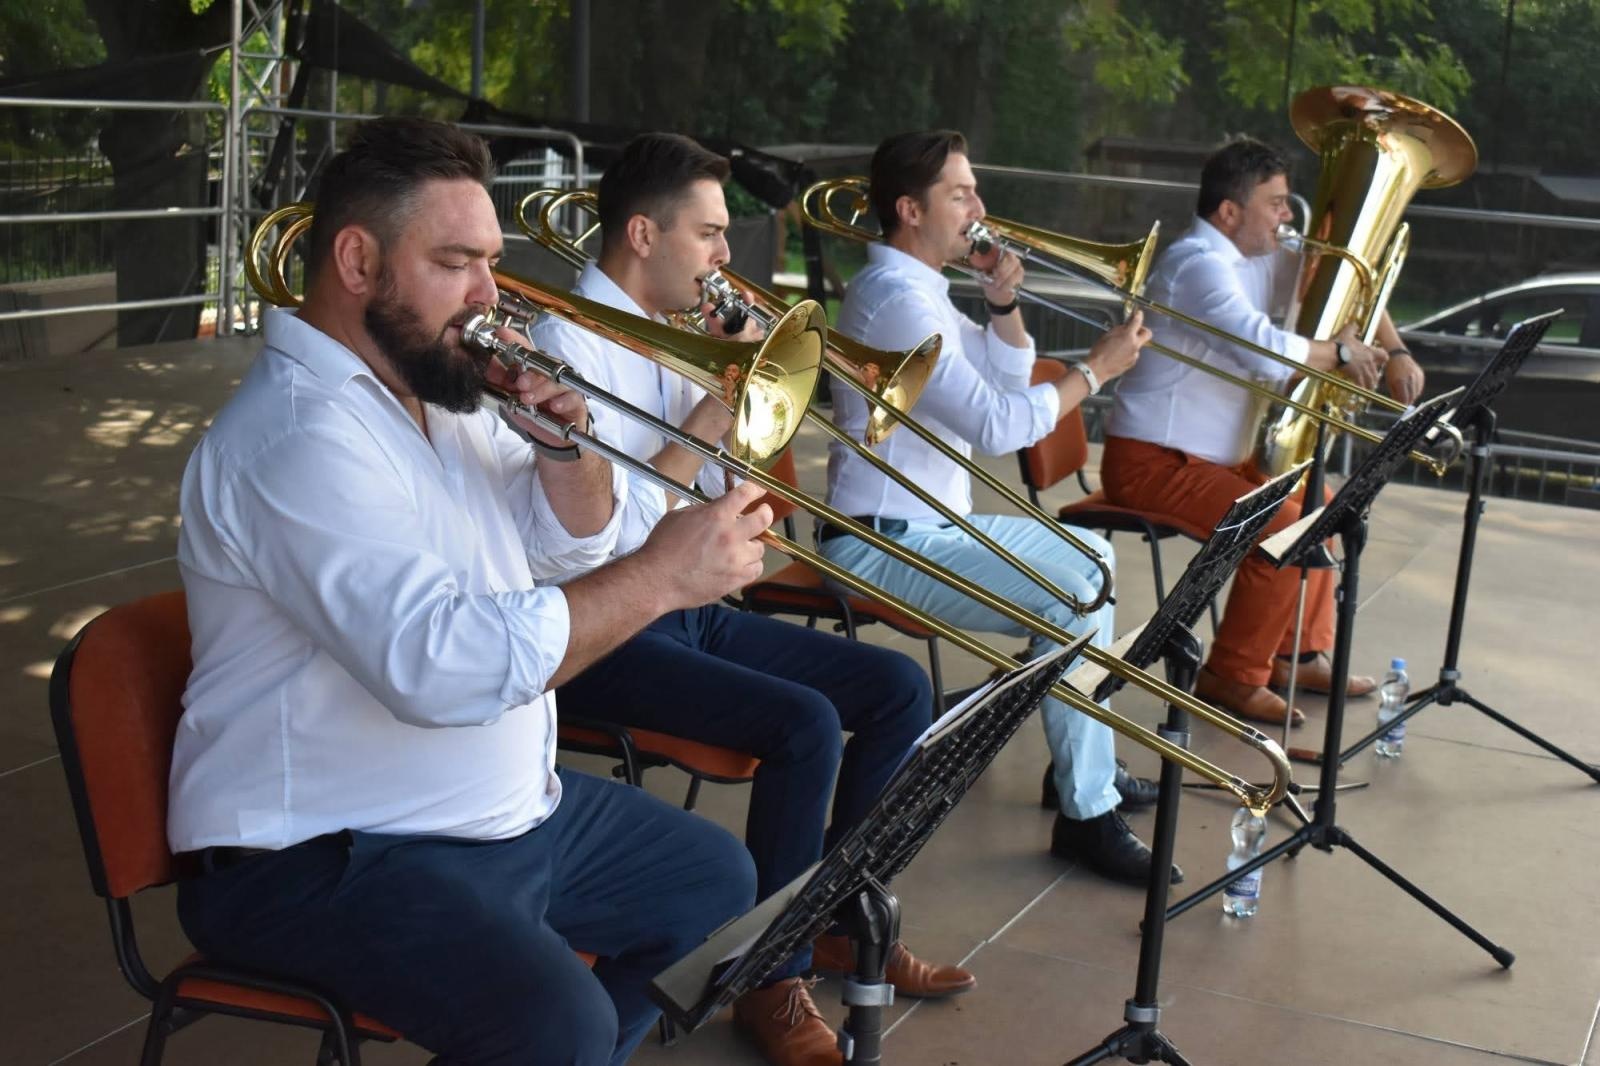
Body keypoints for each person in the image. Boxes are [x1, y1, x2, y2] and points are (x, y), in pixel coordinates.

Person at [168, 117, 769, 1066]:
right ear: (358, 262)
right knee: (557, 1023)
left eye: (492, 261)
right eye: (457, 263)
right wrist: (663, 579)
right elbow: (440, 671)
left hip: (488, 818)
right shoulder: (297, 437)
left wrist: (566, 455)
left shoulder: (438, 390)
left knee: (715, 882)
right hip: (323, 853)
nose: (492, 297)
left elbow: (577, 550)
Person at [531, 132, 972, 1066]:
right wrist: (707, 400)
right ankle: (768, 978)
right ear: (643, 234)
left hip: (682, 605)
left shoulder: (673, 321)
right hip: (599, 628)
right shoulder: (566, 340)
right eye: (712, 234)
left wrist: (753, 398)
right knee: (805, 725)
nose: (728, 257)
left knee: (897, 691)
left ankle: (844, 921)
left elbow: (706, 498)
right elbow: (609, 539)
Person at [812, 129, 1178, 889]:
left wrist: (1004, 300)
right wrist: (1094, 372)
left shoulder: (922, 291)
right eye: (960, 192)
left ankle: (1082, 773)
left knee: (1094, 566)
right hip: (877, 541)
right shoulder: (894, 302)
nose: (980, 206)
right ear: (910, 210)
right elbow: (999, 427)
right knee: (1078, 593)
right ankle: (1084, 806)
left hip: (931, 524)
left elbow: (1007, 383)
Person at [1101, 136, 1425, 727]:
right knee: (1280, 529)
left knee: (1323, 506)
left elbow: (1352, 283)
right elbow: (1268, 355)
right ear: (1229, 212)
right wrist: (1342, 354)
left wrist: (1395, 349)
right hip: (1153, 462)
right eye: (1276, 204)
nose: (1288, 216)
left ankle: (1297, 654)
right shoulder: (1196, 265)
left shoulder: (1254, 257)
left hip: (1212, 461)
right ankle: (1232, 675)